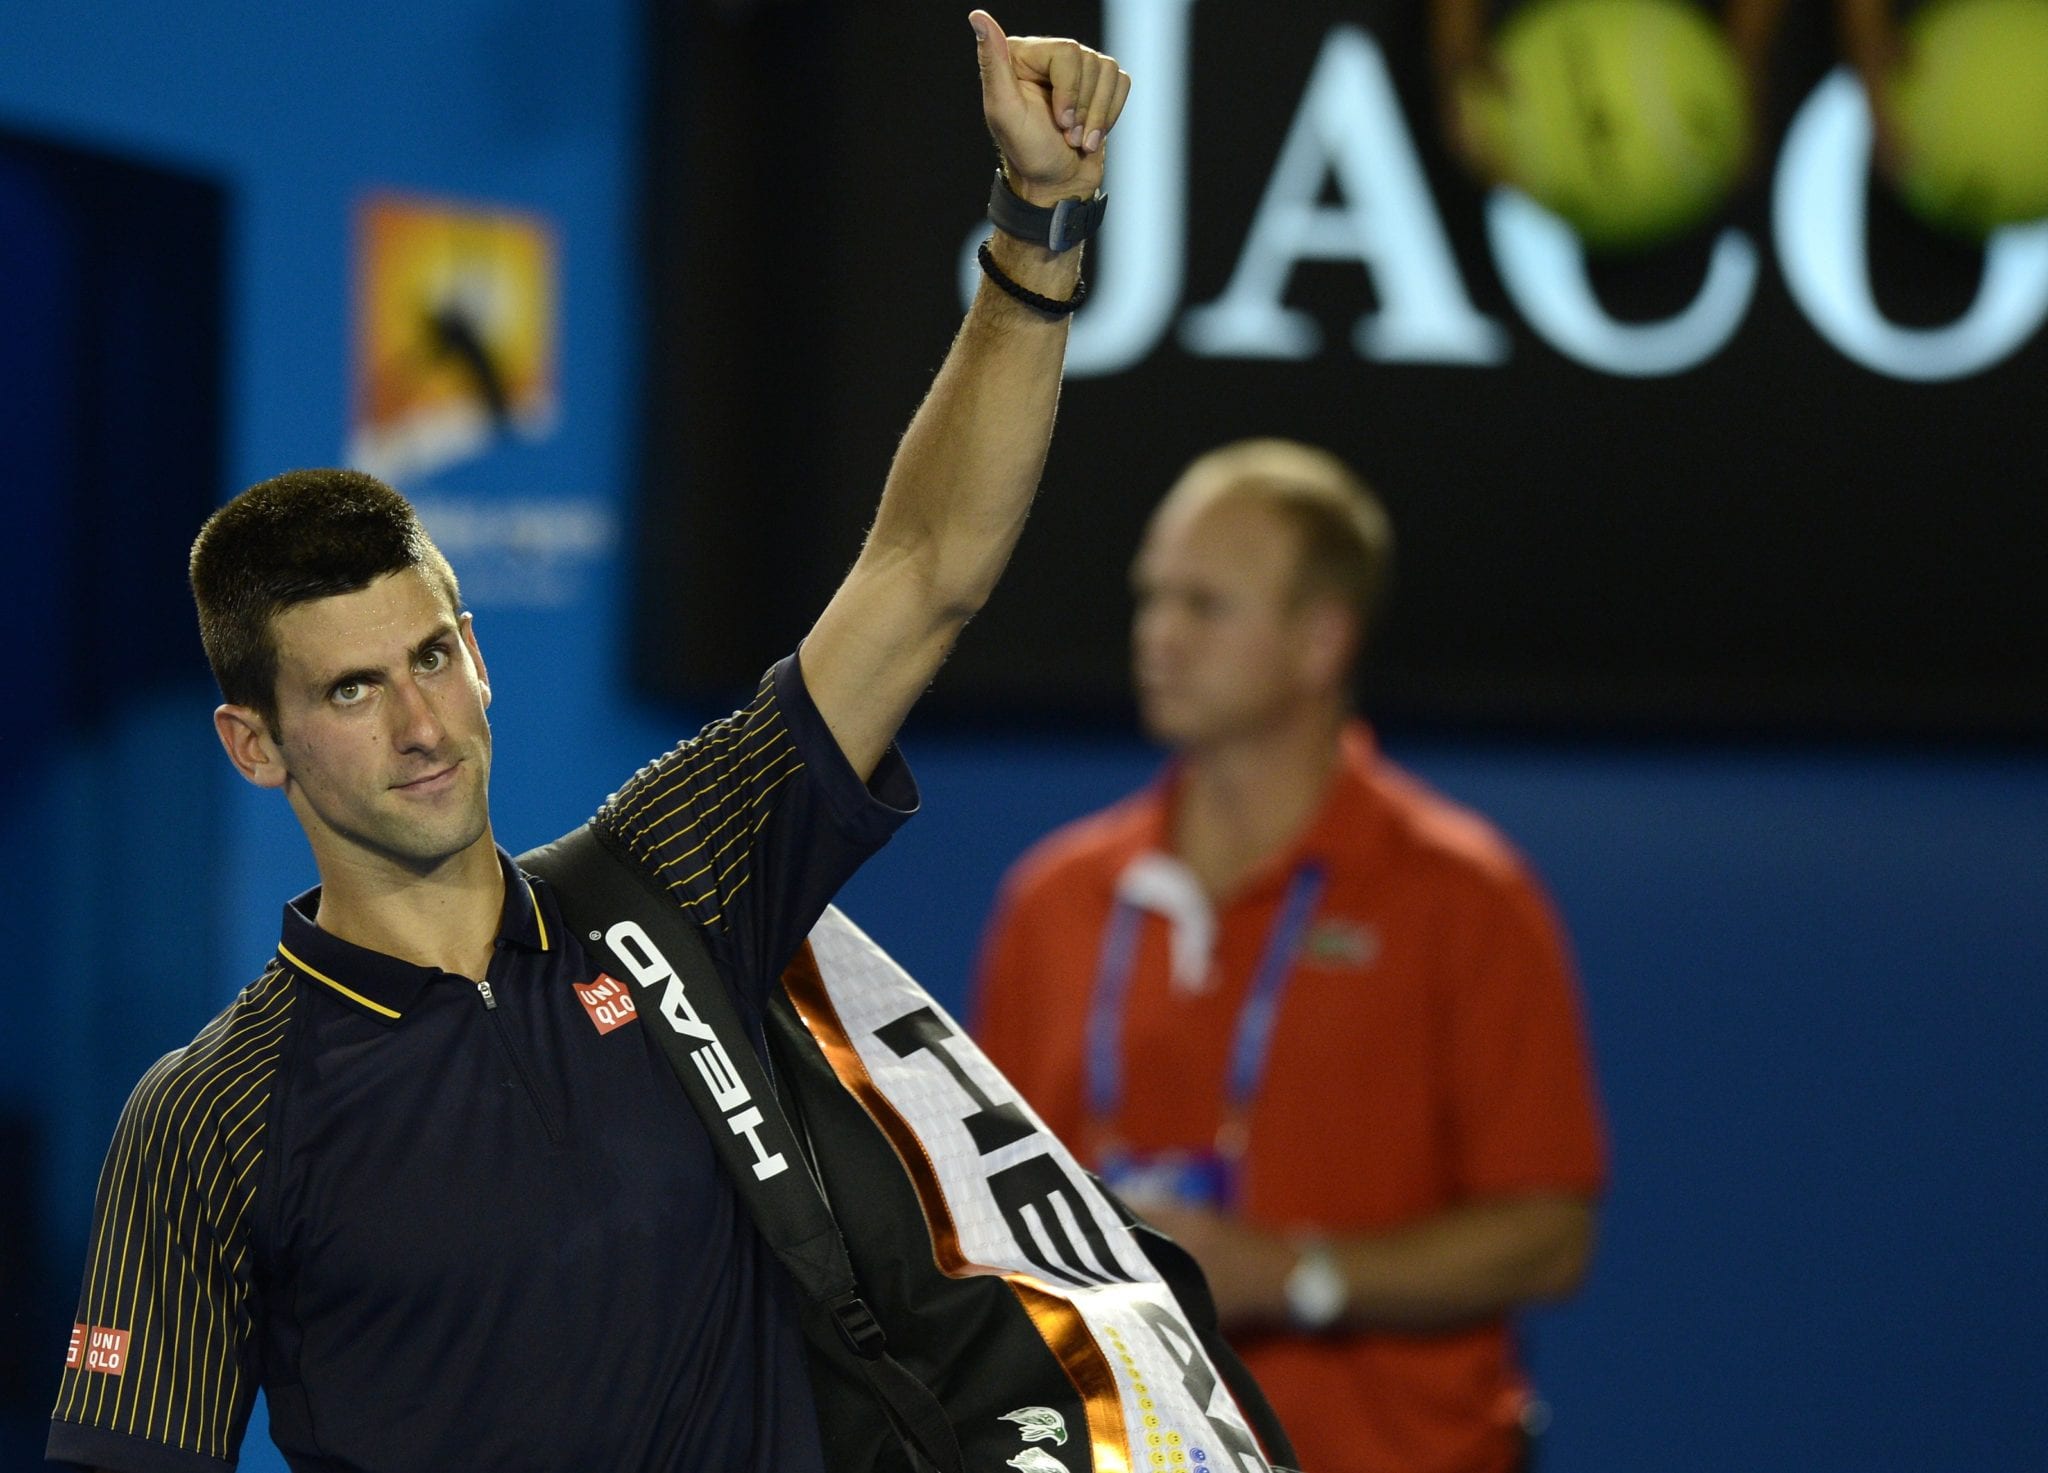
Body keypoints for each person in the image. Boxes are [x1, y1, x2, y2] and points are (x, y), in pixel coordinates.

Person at [46, 13, 1129, 1472]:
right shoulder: (211, 1123)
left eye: (435, 654)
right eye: (354, 692)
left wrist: (1038, 223)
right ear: (257, 745)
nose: (424, 723)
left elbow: (925, 570)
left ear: (479, 651)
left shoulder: (667, 878)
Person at [971, 439, 1608, 1473]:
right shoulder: (1054, 898)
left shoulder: (1462, 894)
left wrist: (1297, 1274)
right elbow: (982, 1209)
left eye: (1203, 606)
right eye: (1150, 598)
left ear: (1320, 641)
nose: (1157, 636)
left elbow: (1548, 1235)